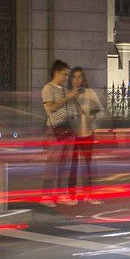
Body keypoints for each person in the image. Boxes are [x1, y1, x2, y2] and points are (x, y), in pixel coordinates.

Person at [62, 66, 104, 201]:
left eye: (79, 77)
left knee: (87, 166)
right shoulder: (67, 94)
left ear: (83, 79)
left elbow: (100, 110)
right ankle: (71, 194)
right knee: (73, 166)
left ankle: (88, 195)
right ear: (70, 79)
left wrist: (93, 116)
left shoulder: (89, 93)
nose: (76, 80)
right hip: (73, 135)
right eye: (74, 77)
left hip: (87, 134)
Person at [40, 59, 74, 205]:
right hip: (55, 129)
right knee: (53, 162)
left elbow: (71, 108)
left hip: (68, 128)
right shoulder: (48, 88)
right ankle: (46, 196)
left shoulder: (65, 90)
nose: (66, 78)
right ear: (56, 72)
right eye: (64, 74)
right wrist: (67, 98)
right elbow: (51, 108)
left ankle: (62, 193)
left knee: (65, 163)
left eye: (67, 75)